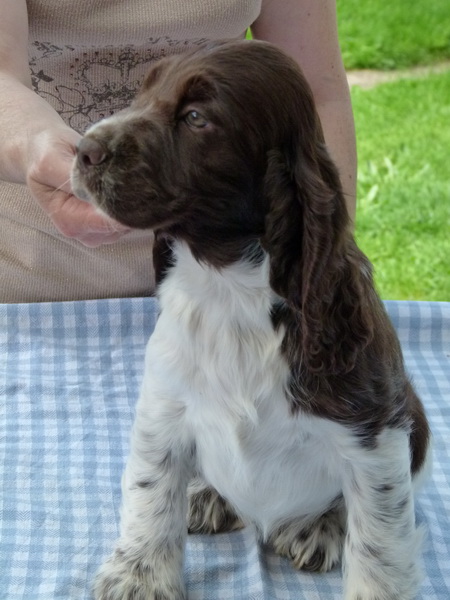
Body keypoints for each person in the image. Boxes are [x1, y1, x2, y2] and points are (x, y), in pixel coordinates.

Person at [0, 0, 357, 303]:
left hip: (230, 284)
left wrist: (323, 260)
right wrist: (35, 147)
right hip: (31, 284)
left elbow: (315, 94)